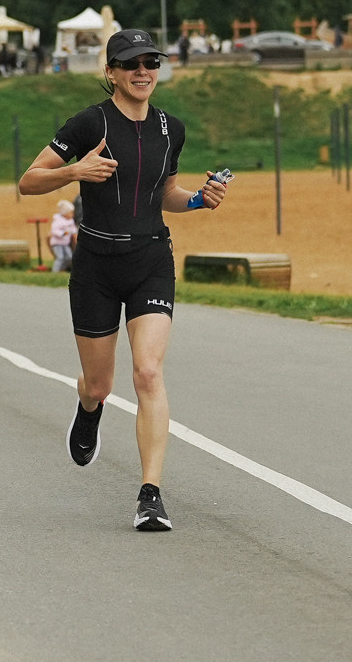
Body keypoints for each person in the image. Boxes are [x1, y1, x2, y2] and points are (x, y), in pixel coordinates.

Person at [20, 27, 230, 533]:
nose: (143, 71)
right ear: (110, 72)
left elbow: (166, 195)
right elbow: (28, 182)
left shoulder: (170, 130)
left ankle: (150, 494)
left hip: (150, 260)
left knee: (148, 373)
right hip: (94, 266)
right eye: (131, 63)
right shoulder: (89, 123)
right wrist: (76, 172)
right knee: (101, 381)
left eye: (151, 62)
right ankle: (89, 407)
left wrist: (199, 200)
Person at [49, 199, 77, 273]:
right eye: (71, 213)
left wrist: (75, 233)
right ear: (65, 213)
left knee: (69, 257)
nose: (72, 214)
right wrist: (63, 233)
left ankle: (62, 269)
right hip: (57, 243)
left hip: (65, 243)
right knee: (60, 257)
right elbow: (54, 230)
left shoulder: (71, 221)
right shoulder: (58, 220)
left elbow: (73, 230)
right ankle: (55, 272)